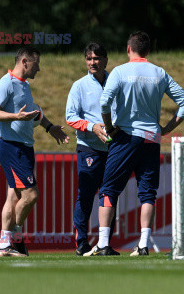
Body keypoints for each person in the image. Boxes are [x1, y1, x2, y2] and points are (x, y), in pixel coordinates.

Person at [84, 31, 184, 256]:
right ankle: (143, 244)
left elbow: (105, 103)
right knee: (147, 193)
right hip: (152, 137)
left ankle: (103, 243)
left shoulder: (120, 71)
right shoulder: (159, 72)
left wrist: (109, 126)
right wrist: (166, 128)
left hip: (126, 135)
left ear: (128, 49)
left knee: (108, 189)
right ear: (148, 51)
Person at [0, 46, 69, 257]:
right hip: (13, 148)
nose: (38, 68)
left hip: (23, 148)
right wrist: (15, 117)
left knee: (13, 198)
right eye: (36, 63)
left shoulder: (24, 85)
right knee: (31, 195)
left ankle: (5, 246)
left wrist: (50, 128)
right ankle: (11, 239)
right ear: (25, 61)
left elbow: (35, 112)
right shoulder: (6, 83)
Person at [66, 43, 116, 256]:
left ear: (105, 60)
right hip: (89, 148)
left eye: (96, 58)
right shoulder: (79, 86)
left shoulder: (116, 82)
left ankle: (104, 243)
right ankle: (81, 243)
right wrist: (92, 127)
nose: (92, 62)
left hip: (114, 149)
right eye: (89, 58)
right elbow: (70, 117)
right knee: (85, 196)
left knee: (110, 195)